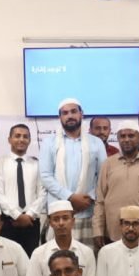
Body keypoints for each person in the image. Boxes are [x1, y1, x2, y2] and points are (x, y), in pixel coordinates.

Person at [39, 98, 106, 247]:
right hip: (59, 215)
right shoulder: (49, 143)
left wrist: (90, 197)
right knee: (56, 257)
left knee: (86, 258)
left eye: (73, 111)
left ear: (82, 114)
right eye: (65, 113)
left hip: (87, 212)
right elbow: (45, 176)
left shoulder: (96, 143)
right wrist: (70, 197)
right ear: (60, 117)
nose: (69, 116)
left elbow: (103, 177)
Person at [93, 120, 139, 250]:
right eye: (122, 136)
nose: (126, 140)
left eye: (131, 136)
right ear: (118, 138)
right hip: (112, 233)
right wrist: (97, 230)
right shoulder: (108, 164)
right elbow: (100, 201)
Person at [22, 200, 96, 276]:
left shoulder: (86, 252)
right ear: (50, 223)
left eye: (65, 218)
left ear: (73, 221)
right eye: (56, 219)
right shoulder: (39, 253)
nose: (61, 223)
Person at [0, 123, 45, 256]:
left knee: (30, 260)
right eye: (17, 136)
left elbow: (42, 193)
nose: (21, 139)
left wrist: (29, 215)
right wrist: (17, 215)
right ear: (9, 139)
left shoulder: (37, 164)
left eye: (25, 136)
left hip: (31, 222)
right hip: (9, 221)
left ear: (29, 140)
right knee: (7, 259)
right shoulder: (0, 163)